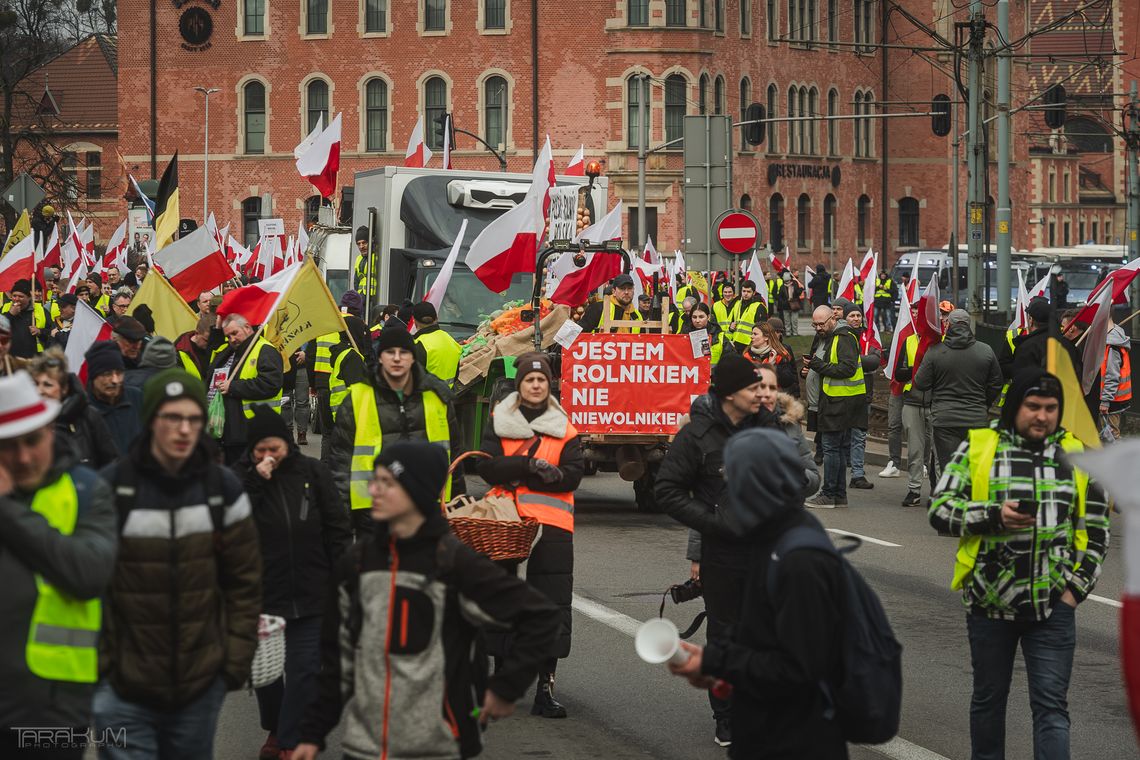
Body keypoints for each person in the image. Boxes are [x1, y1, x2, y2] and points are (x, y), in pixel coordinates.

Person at [292, 441, 560, 760]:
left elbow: (541, 616)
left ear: (415, 492)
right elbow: (338, 659)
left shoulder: (454, 564)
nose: (373, 489)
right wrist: (312, 734)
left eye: (387, 482)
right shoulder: (357, 563)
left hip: (439, 745)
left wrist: (506, 688)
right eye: (375, 480)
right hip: (364, 747)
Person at [928, 368, 1110, 760]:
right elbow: (940, 511)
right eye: (1033, 406)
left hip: (1053, 609)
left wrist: (1074, 591)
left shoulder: (1079, 456)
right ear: (1015, 406)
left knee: (1051, 709)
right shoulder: (980, 446)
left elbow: (1098, 533)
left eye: (1051, 408)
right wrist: (993, 516)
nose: (1042, 416)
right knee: (988, 701)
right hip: (989, 604)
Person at [94, 369, 262, 760]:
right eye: (172, 417)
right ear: (151, 419)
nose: (184, 429)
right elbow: (88, 582)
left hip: (198, 686)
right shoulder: (112, 488)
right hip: (123, 687)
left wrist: (231, 665)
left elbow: (245, 583)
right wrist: (100, 667)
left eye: (192, 418)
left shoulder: (223, 490)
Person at [656, 354, 819, 747]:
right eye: (753, 388)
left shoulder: (770, 427)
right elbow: (667, 491)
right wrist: (714, 523)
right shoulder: (697, 436)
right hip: (724, 557)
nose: (761, 394)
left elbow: (797, 476)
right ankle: (726, 716)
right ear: (731, 393)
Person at [667, 427, 847, 760]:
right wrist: (697, 554)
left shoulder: (787, 429)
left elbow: (811, 480)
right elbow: (703, 502)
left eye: (767, 396)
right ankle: (726, 717)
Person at [0, 371, 117, 759]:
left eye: (32, 441)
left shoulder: (86, 490)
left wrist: (7, 510)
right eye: (8, 447)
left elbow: (88, 573)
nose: (23, 458)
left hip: (55, 707)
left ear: (50, 431)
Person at [233, 407, 351, 760]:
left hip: (312, 591)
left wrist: (341, 579)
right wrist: (256, 481)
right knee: (267, 674)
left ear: (287, 443)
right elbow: (231, 525)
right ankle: (276, 727)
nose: (269, 455)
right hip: (263, 596)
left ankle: (287, 741)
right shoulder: (240, 478)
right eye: (261, 450)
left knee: (304, 671)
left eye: (275, 448)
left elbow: (337, 527)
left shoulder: (312, 473)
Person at [477, 352, 583, 719]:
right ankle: (501, 679)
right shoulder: (500, 419)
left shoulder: (564, 427)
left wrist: (528, 474)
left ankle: (545, 688)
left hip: (552, 524)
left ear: (549, 384)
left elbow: (572, 476)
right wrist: (528, 465)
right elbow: (486, 467)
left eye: (541, 380)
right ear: (519, 385)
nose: (536, 385)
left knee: (552, 604)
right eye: (529, 380)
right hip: (505, 524)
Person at [324, 326, 465, 537]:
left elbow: (455, 456)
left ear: (413, 357)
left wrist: (458, 505)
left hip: (425, 506)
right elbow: (341, 461)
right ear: (380, 357)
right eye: (390, 352)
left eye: (404, 352)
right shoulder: (357, 398)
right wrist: (341, 521)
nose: (397, 358)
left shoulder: (437, 397)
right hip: (373, 511)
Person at [914, 309, 1004, 470]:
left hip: (944, 419)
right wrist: (983, 403)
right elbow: (997, 383)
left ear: (948, 325)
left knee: (950, 470)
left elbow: (920, 383)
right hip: (976, 418)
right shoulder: (985, 351)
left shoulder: (935, 352)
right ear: (969, 325)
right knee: (974, 470)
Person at [805, 305, 865, 508]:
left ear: (833, 319)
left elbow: (847, 369)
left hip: (840, 402)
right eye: (814, 324)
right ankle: (839, 495)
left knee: (831, 449)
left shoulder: (843, 337)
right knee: (836, 449)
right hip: (835, 401)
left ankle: (829, 494)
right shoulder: (829, 336)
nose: (818, 328)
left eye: (821, 324)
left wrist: (817, 365)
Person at [208, 313, 285, 464]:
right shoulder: (231, 350)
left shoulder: (265, 350)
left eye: (235, 333)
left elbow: (271, 384)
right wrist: (217, 328)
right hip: (229, 430)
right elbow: (210, 359)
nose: (232, 339)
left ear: (247, 328)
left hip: (251, 429)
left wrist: (233, 387)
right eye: (228, 336)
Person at [30, 349, 118, 469]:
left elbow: (111, 463)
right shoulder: (29, 422)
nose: (39, 391)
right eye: (36, 384)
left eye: (47, 385)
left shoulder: (88, 416)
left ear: (64, 389)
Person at [893, 305, 935, 508]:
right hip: (913, 402)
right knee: (915, 451)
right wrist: (918, 368)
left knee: (937, 451)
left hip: (936, 403)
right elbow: (899, 374)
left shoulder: (941, 342)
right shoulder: (909, 341)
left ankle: (937, 491)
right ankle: (914, 490)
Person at [85, 341, 144, 455]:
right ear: (93, 376)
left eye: (119, 373)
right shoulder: (83, 410)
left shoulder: (137, 397)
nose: (115, 380)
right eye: (107, 374)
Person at [844, 305, 879, 490]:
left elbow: (874, 361)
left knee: (859, 436)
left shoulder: (869, 336)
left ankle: (857, 474)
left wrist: (852, 361)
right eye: (852, 315)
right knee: (841, 436)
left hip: (864, 395)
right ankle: (839, 472)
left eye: (858, 315)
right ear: (845, 318)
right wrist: (860, 361)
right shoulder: (840, 337)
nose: (856, 318)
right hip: (843, 394)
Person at [412, 301, 462, 387]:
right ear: (436, 318)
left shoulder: (417, 345)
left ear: (415, 321)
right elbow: (456, 375)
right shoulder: (451, 341)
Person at [743, 321, 797, 395]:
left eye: (755, 334)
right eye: (752, 333)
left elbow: (787, 382)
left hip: (774, 396)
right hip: (753, 396)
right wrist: (769, 366)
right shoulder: (746, 356)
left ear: (766, 337)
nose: (751, 336)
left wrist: (774, 366)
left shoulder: (780, 355)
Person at [578, 273, 643, 333]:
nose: (626, 292)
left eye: (629, 288)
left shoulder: (637, 316)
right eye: (622, 288)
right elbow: (578, 335)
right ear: (614, 291)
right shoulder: (598, 308)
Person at [1100, 319, 1131, 441]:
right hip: (1114, 398)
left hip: (1112, 400)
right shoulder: (1114, 340)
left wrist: (1105, 401)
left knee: (1110, 437)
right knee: (1109, 436)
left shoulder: (1112, 345)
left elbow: (1112, 375)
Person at [4, 279, 47, 357]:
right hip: (10, 358)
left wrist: (40, 331)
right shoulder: (5, 308)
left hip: (33, 358)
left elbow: (52, 333)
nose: (16, 299)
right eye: (14, 296)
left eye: (21, 296)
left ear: (29, 297)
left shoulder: (40, 310)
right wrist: (10, 314)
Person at [282, 346, 311, 446]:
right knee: (285, 401)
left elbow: (313, 342)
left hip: (302, 366)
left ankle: (302, 433)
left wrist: (306, 353)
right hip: (285, 365)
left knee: (302, 402)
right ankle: (288, 433)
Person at [174, 312, 216, 380]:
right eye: (206, 340)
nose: (210, 344)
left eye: (213, 341)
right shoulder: (178, 353)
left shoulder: (220, 344)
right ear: (196, 333)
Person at [728, 280, 767, 353]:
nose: (745, 294)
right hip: (736, 342)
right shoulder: (737, 304)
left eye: (748, 291)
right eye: (744, 291)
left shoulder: (759, 307)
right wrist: (731, 327)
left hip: (750, 344)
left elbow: (762, 329)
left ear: (754, 293)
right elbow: (732, 322)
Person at [353, 226, 379, 303]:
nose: (361, 246)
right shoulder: (358, 259)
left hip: (374, 300)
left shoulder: (377, 257)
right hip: (361, 300)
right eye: (358, 244)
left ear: (371, 242)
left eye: (364, 243)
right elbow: (356, 282)